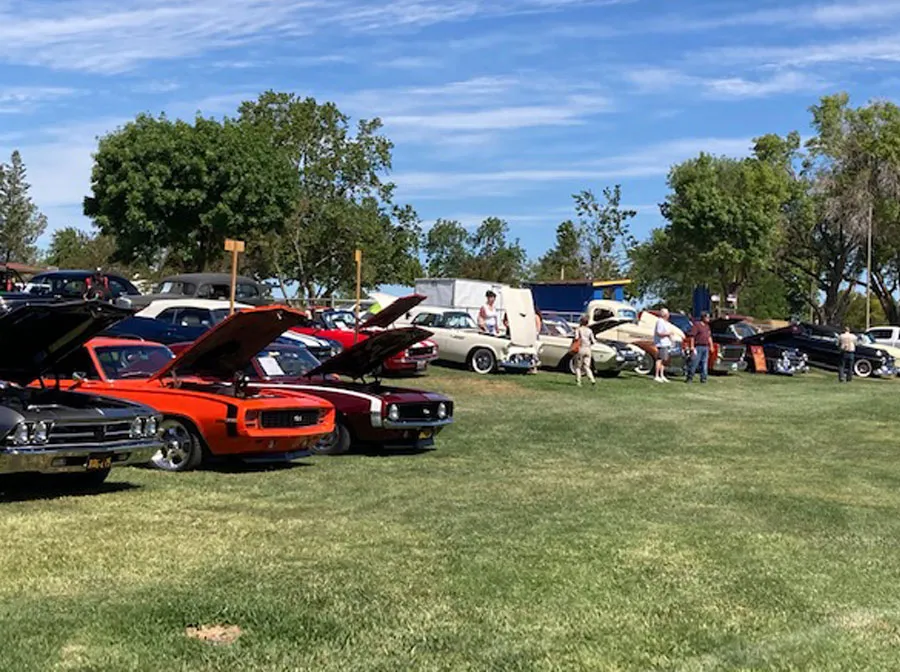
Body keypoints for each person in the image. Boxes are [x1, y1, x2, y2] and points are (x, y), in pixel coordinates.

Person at [685, 311, 712, 383]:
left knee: (704, 363)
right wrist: (692, 347)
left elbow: (709, 337)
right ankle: (690, 378)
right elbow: (692, 337)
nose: (709, 319)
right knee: (694, 363)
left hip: (705, 347)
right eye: (707, 317)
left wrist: (711, 346)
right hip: (698, 347)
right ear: (703, 317)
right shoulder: (697, 325)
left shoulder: (707, 326)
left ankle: (703, 379)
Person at [573, 316, 596, 387]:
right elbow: (593, 341)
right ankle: (592, 379)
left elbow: (576, 338)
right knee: (586, 366)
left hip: (581, 348)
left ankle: (578, 381)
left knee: (578, 366)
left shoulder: (579, 329)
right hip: (588, 349)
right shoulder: (590, 330)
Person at [653, 307, 674, 383]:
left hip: (666, 343)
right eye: (667, 313)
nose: (668, 315)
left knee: (664, 360)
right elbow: (659, 332)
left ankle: (662, 375)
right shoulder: (660, 321)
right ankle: (656, 375)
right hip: (661, 343)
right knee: (659, 359)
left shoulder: (666, 322)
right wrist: (668, 334)